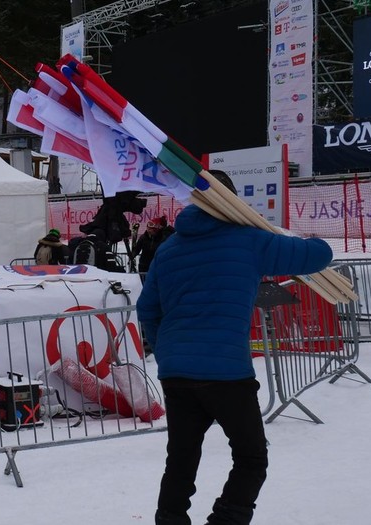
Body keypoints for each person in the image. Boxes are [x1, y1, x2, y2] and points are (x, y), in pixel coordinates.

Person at [137, 170, 333, 525]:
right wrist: (308, 237)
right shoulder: (248, 240)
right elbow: (318, 256)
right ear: (232, 201)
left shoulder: (168, 249)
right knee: (251, 457)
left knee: (181, 460)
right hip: (227, 373)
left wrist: (167, 351)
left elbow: (147, 309)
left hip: (177, 372)